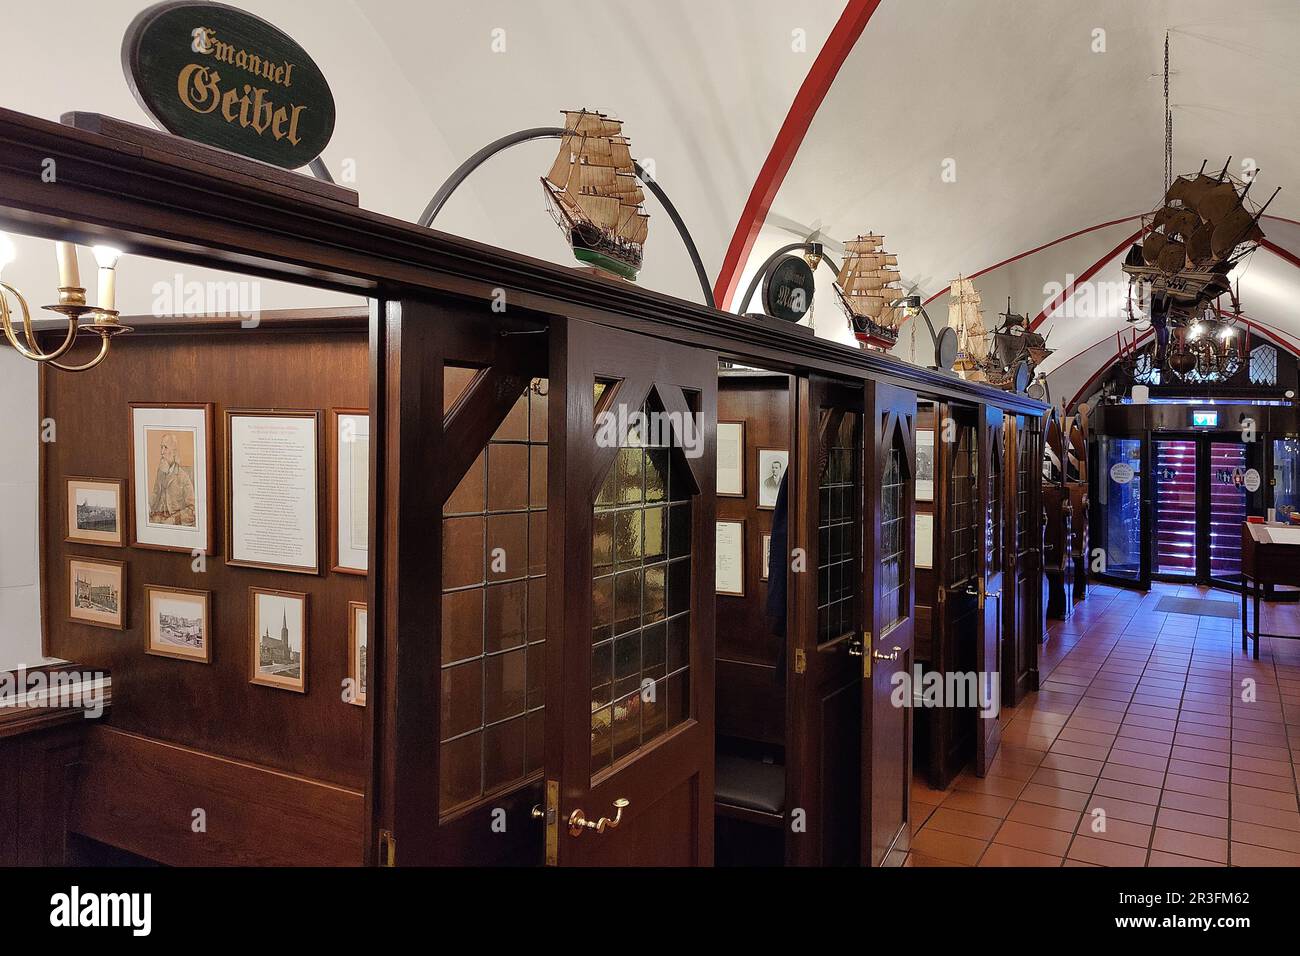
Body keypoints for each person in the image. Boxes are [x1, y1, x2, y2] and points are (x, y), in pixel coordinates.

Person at [149, 432, 196, 526]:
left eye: (165, 447)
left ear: (174, 452)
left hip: (173, 522)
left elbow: (192, 509)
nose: (161, 452)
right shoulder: (161, 471)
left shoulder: (183, 476)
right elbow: (155, 494)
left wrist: (174, 520)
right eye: (161, 447)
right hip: (158, 518)